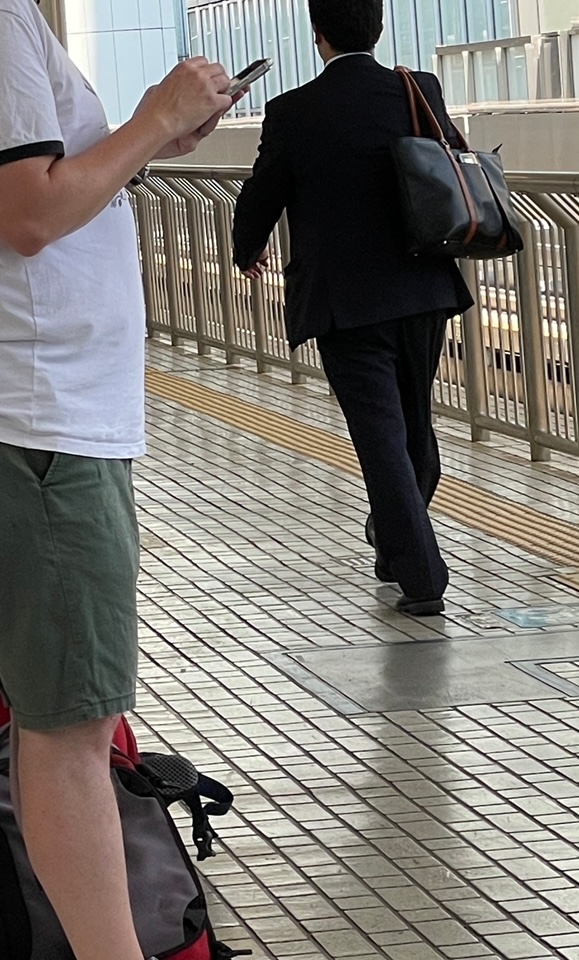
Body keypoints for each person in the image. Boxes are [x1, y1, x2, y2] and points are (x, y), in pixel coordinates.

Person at [0, 2, 236, 957]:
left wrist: (155, 136)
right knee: (68, 734)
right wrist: (150, 118)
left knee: (59, 725)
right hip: (44, 423)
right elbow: (30, 212)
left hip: (39, 420)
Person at [233, 0, 473, 618]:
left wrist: (246, 248)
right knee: (414, 425)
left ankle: (422, 575)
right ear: (380, 27)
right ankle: (396, 548)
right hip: (424, 288)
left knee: (381, 438)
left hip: (345, 300)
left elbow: (264, 193)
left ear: (317, 35)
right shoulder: (418, 90)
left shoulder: (293, 111)